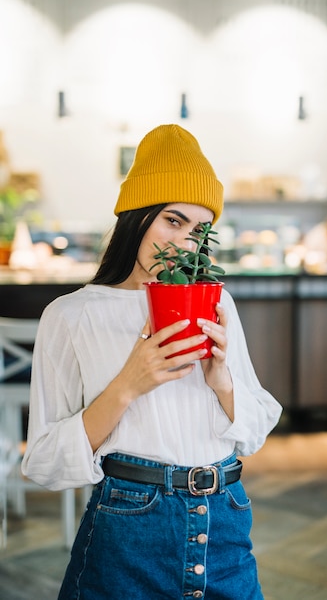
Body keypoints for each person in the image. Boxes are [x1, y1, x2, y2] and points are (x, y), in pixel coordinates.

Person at [22, 124, 282, 600]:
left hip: (225, 522)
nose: (183, 243)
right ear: (136, 217)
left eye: (199, 231)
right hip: (128, 529)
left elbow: (255, 429)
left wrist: (222, 381)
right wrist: (127, 385)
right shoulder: (71, 317)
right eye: (172, 220)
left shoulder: (216, 303)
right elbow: (43, 462)